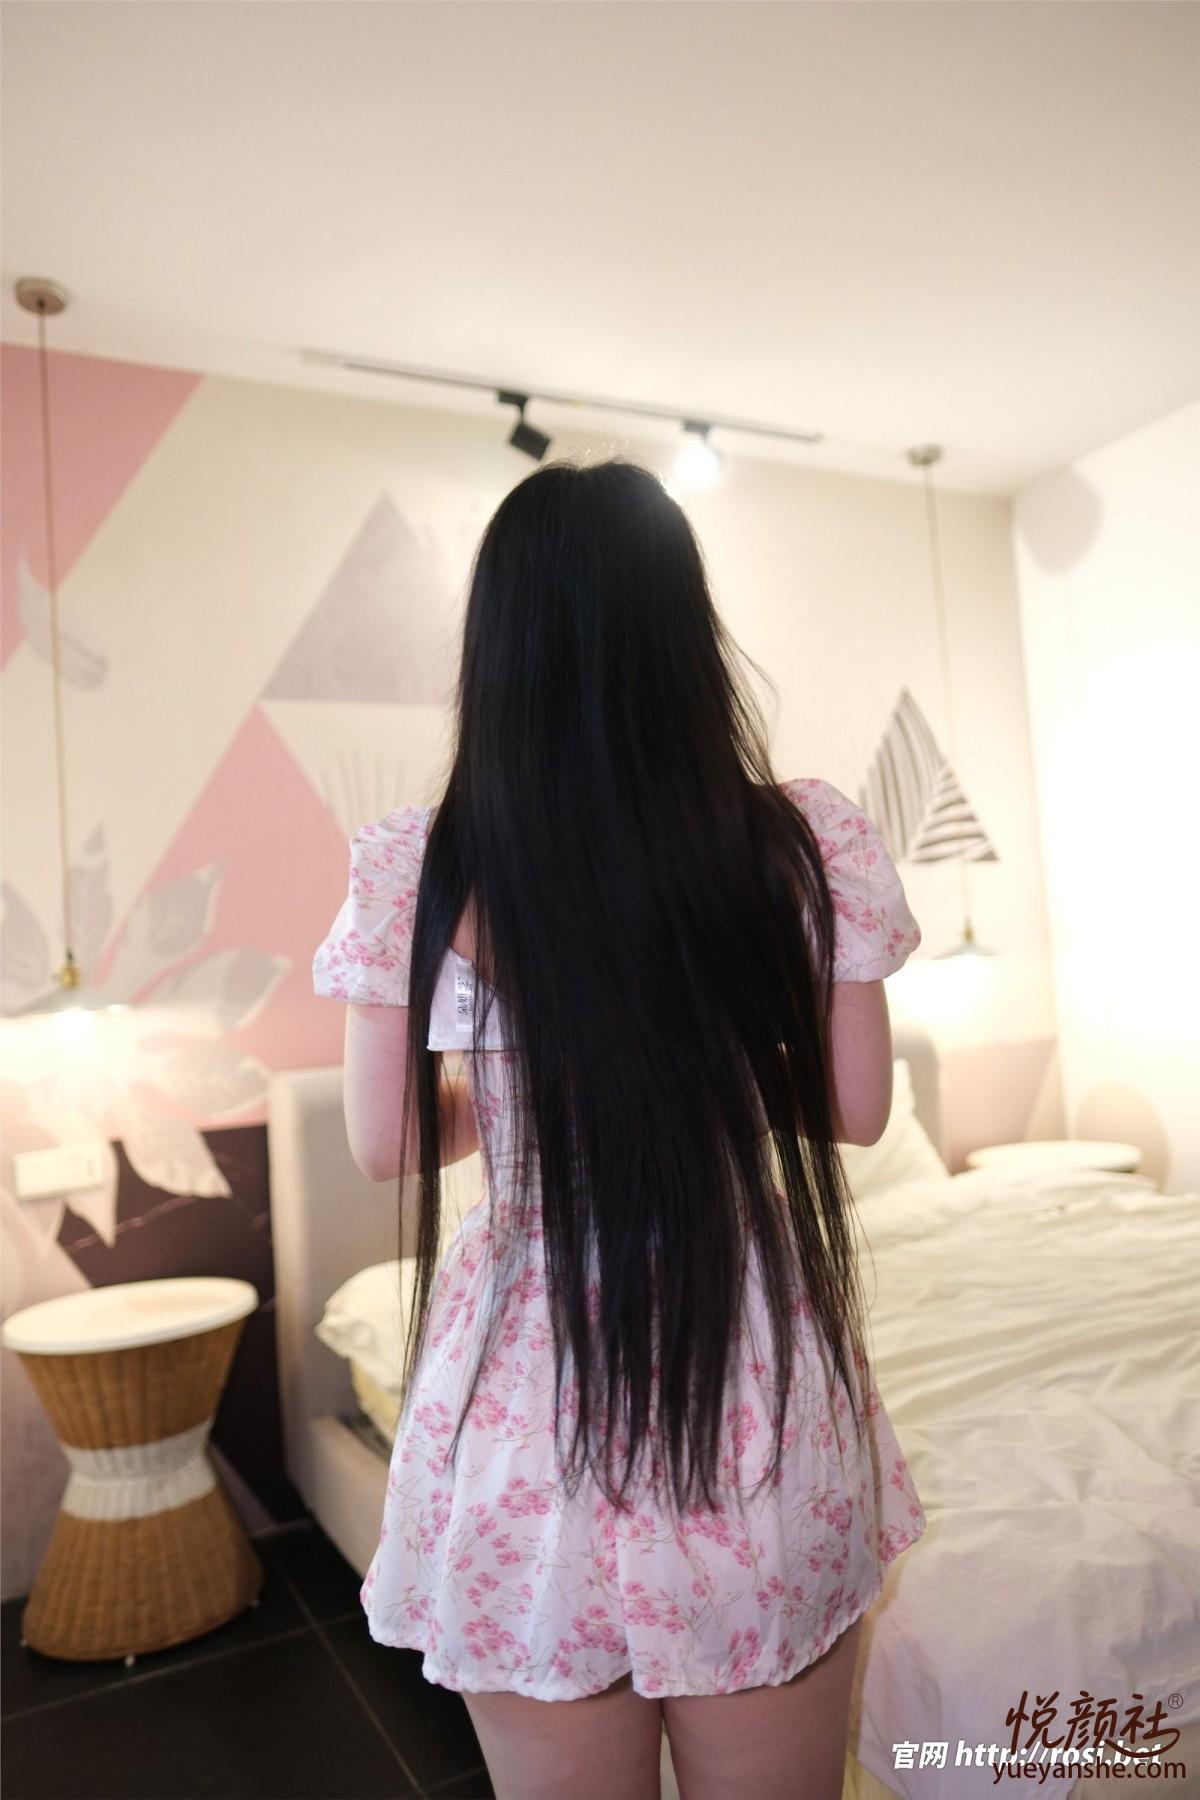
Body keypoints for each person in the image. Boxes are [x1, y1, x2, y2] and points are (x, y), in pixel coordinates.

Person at [312, 457, 926, 1800]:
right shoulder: (798, 844)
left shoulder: (424, 866)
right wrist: (697, 1071)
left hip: (527, 1379)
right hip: (743, 1357)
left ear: (499, 650)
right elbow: (858, 1109)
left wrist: (530, 1094)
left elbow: (384, 1142)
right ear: (684, 633)